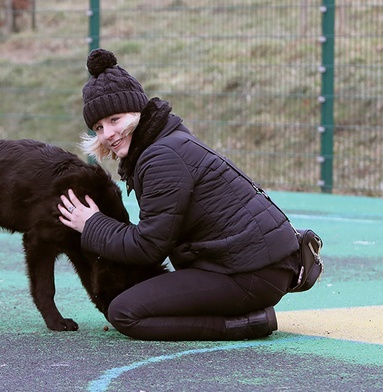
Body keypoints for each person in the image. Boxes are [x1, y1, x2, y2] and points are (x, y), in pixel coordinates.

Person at [58, 48, 301, 341]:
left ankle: (247, 323)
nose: (107, 133)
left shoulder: (161, 157)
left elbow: (148, 247)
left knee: (125, 312)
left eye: (115, 119)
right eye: (98, 127)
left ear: (136, 113)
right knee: (138, 298)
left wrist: (91, 223)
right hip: (251, 266)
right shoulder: (162, 143)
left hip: (252, 275)